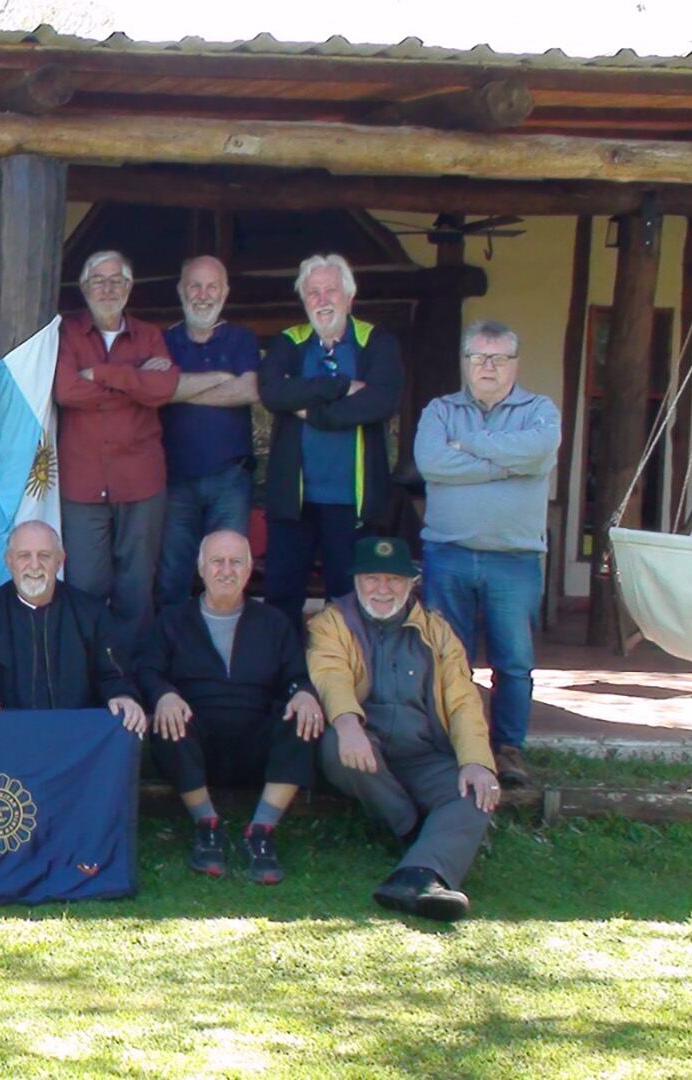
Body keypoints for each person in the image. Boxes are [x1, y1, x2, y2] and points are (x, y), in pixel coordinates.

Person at [310, 537, 501, 921]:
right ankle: (414, 832)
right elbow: (330, 675)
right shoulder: (331, 622)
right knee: (335, 747)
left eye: (394, 580)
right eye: (372, 579)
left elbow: (462, 699)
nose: (383, 589)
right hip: (368, 750)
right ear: (357, 581)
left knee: (475, 793)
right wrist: (348, 725)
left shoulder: (438, 630)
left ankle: (420, 876)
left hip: (426, 753)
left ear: (412, 583)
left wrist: (478, 762)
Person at [415, 320, 561, 788]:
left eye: (498, 358)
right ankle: (455, 742)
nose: (488, 367)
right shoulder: (439, 411)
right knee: (448, 656)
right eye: (478, 358)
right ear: (465, 363)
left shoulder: (541, 410)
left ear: (515, 364)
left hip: (513, 558)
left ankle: (508, 749)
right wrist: (506, 464)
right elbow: (432, 462)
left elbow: (537, 454)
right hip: (448, 552)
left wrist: (471, 446)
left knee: (513, 662)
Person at [139, 530, 322, 883]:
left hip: (256, 739)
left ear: (250, 568)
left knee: (302, 717)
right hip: (196, 739)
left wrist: (303, 692)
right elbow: (148, 670)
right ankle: (208, 827)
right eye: (217, 561)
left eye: (236, 561)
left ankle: (261, 832)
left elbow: (296, 675)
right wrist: (164, 694)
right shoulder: (173, 620)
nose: (226, 570)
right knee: (168, 721)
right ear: (201, 568)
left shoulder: (273, 623)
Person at [259, 254, 405, 631]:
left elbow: (380, 401)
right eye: (313, 292)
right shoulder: (289, 342)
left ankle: (344, 683)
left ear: (349, 297)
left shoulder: (376, 341)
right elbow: (274, 393)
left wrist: (314, 411)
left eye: (331, 291)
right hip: (295, 502)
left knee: (349, 602)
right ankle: (285, 683)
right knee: (281, 596)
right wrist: (340, 387)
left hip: (352, 502)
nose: (322, 300)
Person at [54, 250, 180, 633]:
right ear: (84, 287)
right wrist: (133, 378)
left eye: (115, 280)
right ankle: (87, 676)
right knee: (84, 586)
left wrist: (104, 374)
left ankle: (134, 677)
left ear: (128, 287)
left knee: (136, 589)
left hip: (140, 483)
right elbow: (65, 390)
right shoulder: (67, 332)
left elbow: (163, 387)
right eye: (98, 280)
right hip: (82, 484)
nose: (107, 288)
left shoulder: (149, 334)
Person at [0, 520, 146, 729]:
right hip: (8, 741)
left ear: (60, 561)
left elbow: (113, 675)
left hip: (74, 738)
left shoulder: (91, 613)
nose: (34, 565)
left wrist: (122, 696)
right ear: (9, 561)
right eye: (24, 556)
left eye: (44, 555)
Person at [155, 256, 261, 610]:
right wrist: (219, 378)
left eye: (211, 286)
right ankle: (171, 658)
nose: (203, 294)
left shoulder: (241, 339)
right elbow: (158, 392)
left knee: (227, 574)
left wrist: (181, 387)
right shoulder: (163, 341)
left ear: (225, 292)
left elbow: (249, 390)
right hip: (174, 480)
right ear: (181, 290)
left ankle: (223, 658)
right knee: (172, 576)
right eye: (195, 286)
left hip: (229, 479)